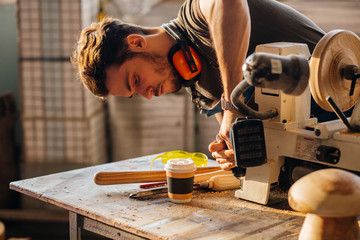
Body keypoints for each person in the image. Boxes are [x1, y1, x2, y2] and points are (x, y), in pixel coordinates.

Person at [72, 0, 328, 170]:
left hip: (347, 100)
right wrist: (236, 152)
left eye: (135, 81)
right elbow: (259, 136)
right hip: (322, 148)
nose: (147, 95)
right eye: (134, 94)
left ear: (138, 43)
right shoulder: (199, 89)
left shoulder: (196, 15)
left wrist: (229, 104)